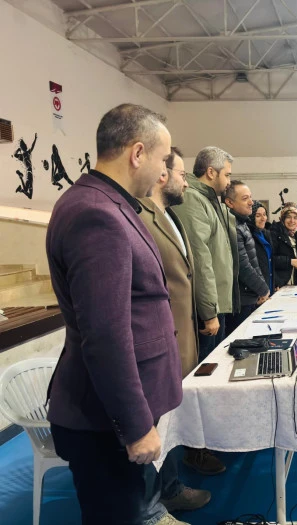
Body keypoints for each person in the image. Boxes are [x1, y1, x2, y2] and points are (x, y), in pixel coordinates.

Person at [45, 103, 184, 524]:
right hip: (104, 420)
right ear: (137, 153)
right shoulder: (96, 213)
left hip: (112, 413)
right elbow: (106, 335)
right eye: (163, 159)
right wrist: (136, 425)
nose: (163, 173)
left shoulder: (111, 203)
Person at [138, 147, 212, 516]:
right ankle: (160, 496)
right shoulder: (141, 217)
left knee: (169, 417)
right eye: (182, 174)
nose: (186, 182)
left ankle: (171, 483)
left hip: (181, 336)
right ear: (163, 175)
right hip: (159, 341)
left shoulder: (170, 217)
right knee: (157, 422)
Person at [173, 147, 235, 362]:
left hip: (218, 302)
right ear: (211, 172)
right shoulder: (193, 199)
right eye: (227, 175)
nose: (229, 181)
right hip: (209, 309)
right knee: (208, 370)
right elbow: (200, 259)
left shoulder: (209, 200)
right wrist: (209, 312)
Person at [224, 180, 270, 328]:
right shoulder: (234, 227)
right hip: (241, 300)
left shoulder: (242, 224)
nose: (251, 202)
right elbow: (243, 266)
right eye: (245, 198)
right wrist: (263, 289)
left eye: (250, 197)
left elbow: (253, 262)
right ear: (230, 203)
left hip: (250, 295)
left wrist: (261, 289)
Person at [271, 205, 297, 288]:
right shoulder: (275, 233)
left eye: (295, 218)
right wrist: (290, 261)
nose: (292, 221)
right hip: (279, 283)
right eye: (288, 217)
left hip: (294, 282)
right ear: (282, 218)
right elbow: (270, 259)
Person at [249, 201, 275, 294]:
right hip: (257, 289)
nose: (263, 218)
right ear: (251, 217)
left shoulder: (266, 234)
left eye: (264, 214)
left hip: (269, 285)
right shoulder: (249, 236)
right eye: (258, 216)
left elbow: (271, 261)